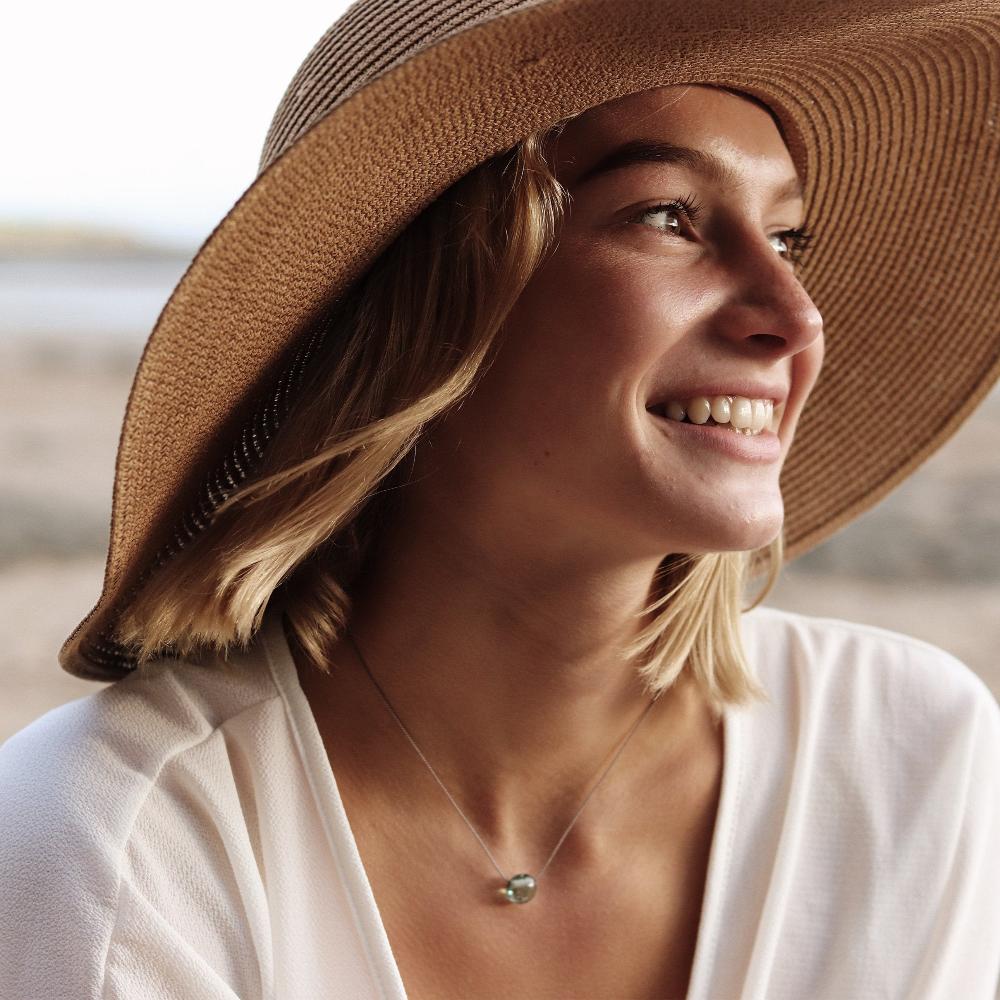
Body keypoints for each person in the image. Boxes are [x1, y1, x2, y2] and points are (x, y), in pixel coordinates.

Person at [1, 2, 998, 998]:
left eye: (788, 240)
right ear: (428, 307)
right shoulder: (128, 835)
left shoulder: (904, 751)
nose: (793, 319)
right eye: (668, 216)